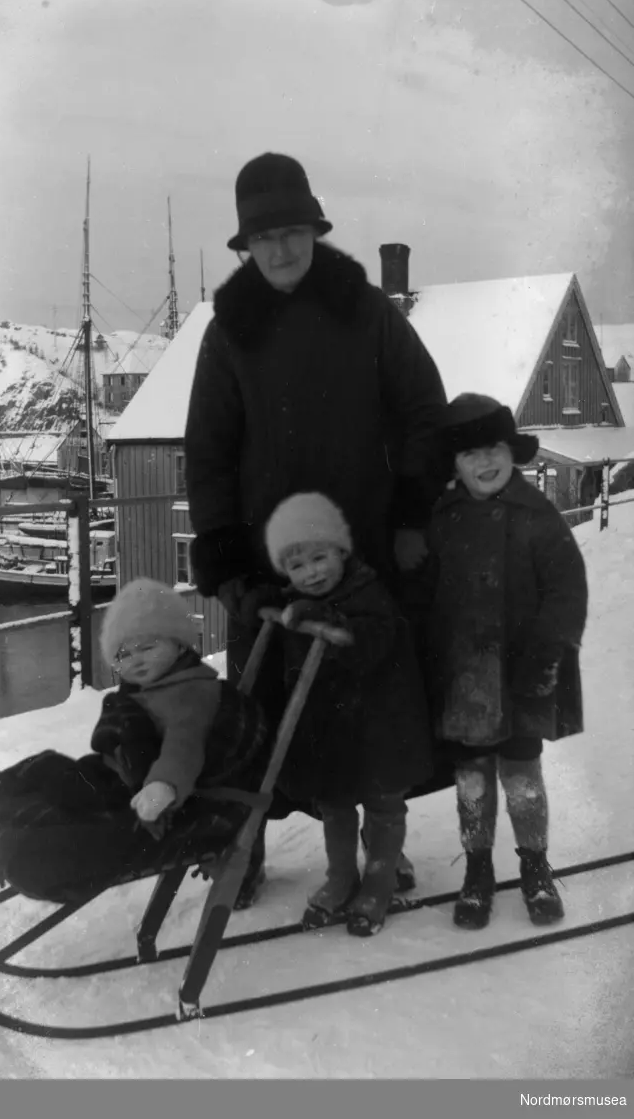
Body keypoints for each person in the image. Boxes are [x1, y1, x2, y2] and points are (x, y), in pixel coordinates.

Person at [184, 151, 449, 903]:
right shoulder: (226, 329)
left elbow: (423, 411)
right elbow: (207, 452)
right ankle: (244, 853)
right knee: (257, 712)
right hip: (270, 564)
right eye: (263, 238)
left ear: (314, 231)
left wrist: (409, 515)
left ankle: (380, 855)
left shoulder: (366, 311)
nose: (281, 249)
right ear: (244, 246)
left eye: (293, 231)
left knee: (373, 702)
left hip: (364, 556)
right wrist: (228, 560)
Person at [0, 579, 270, 905]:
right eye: (124, 653)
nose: (136, 660)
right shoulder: (146, 687)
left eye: (148, 647)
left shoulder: (191, 693)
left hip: (155, 795)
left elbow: (183, 749)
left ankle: (25, 845)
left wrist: (161, 789)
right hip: (119, 777)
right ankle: (16, 833)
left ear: (180, 645)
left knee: (55, 842)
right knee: (21, 781)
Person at [425, 394, 588, 929]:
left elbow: (567, 590)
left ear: (511, 452)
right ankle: (477, 870)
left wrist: (548, 656)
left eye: (493, 448)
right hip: (466, 676)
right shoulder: (441, 519)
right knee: (471, 777)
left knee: (521, 774)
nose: (484, 462)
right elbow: (424, 591)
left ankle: (535, 867)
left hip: (524, 671)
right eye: (469, 454)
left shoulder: (536, 516)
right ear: (454, 463)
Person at [258, 492, 434, 936]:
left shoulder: (368, 593)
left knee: (383, 805)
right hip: (331, 730)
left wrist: (326, 619)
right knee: (334, 806)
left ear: (341, 551)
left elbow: (370, 643)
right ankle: (341, 878)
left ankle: (379, 881)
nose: (311, 572)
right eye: (297, 566)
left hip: (380, 725)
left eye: (320, 557)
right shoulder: (295, 604)